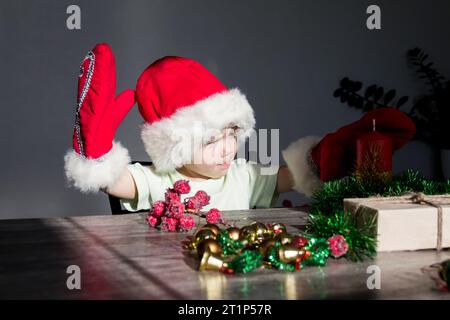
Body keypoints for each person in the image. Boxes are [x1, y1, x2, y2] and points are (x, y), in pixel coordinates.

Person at [64, 43, 416, 212]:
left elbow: (290, 176)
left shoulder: (244, 176)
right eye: (210, 140)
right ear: (175, 147)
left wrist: (326, 155)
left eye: (232, 134)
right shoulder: (160, 179)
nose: (226, 148)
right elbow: (118, 182)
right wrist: (95, 156)